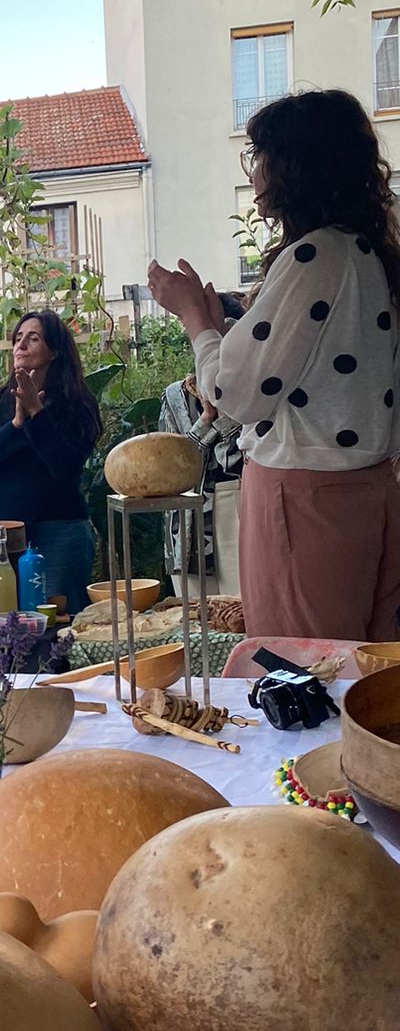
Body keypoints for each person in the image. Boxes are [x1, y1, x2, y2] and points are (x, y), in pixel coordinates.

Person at [149, 89, 400, 639]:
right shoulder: (367, 253)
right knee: (367, 669)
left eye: (260, 153)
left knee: (302, 665)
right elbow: (312, 372)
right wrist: (222, 331)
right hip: (369, 489)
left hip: (304, 497)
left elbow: (236, 395)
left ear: (295, 165)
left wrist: (195, 319)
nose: (254, 169)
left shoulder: (314, 256)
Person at [0, 311, 102, 621]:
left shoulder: (77, 405)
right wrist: (15, 425)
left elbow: (65, 467)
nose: (21, 345)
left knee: (61, 629)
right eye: (18, 338)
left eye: (33, 338)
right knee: (0, 627)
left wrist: (37, 413)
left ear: (54, 351)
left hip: (59, 534)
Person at [158, 294, 246, 601]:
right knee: (192, 611)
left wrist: (210, 424)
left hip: (236, 497)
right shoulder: (175, 395)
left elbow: (237, 452)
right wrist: (207, 419)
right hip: (185, 513)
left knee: (242, 603)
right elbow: (169, 461)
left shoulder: (250, 387)